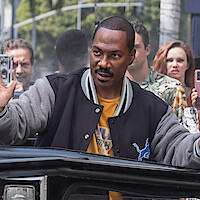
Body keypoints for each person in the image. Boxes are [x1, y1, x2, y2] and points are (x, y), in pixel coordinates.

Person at [1, 16, 200, 171]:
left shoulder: (152, 109)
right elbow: (16, 125)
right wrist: (2, 110)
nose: (103, 63)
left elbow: (178, 148)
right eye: (97, 53)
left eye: (114, 55)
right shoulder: (54, 90)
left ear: (131, 56)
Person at [125, 21, 188, 124]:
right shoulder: (111, 87)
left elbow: (182, 134)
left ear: (147, 49)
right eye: (126, 47)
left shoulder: (171, 88)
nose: (131, 52)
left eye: (136, 47)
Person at [153, 40, 196, 105]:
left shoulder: (195, 95)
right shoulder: (153, 94)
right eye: (169, 60)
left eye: (180, 60)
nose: (175, 65)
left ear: (187, 65)